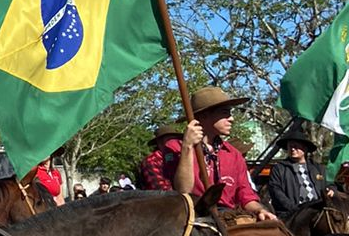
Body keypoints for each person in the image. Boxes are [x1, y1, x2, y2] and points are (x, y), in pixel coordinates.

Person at [142, 86, 275, 220]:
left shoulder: (233, 154)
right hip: (191, 217)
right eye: (225, 113)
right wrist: (188, 146)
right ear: (204, 115)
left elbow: (245, 195)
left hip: (228, 217)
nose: (231, 119)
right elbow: (183, 190)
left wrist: (260, 210)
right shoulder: (176, 147)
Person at [262, 123, 328, 218]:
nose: (292, 149)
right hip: (290, 216)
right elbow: (276, 191)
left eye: (296, 146)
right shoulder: (279, 168)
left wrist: (332, 190)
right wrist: (295, 209)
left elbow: (329, 184)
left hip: (318, 213)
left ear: (305, 148)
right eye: (290, 146)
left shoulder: (318, 168)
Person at [137, 124, 179, 190]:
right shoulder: (151, 161)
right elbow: (161, 190)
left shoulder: (180, 156)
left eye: (176, 140)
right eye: (170, 140)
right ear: (160, 143)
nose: (174, 143)